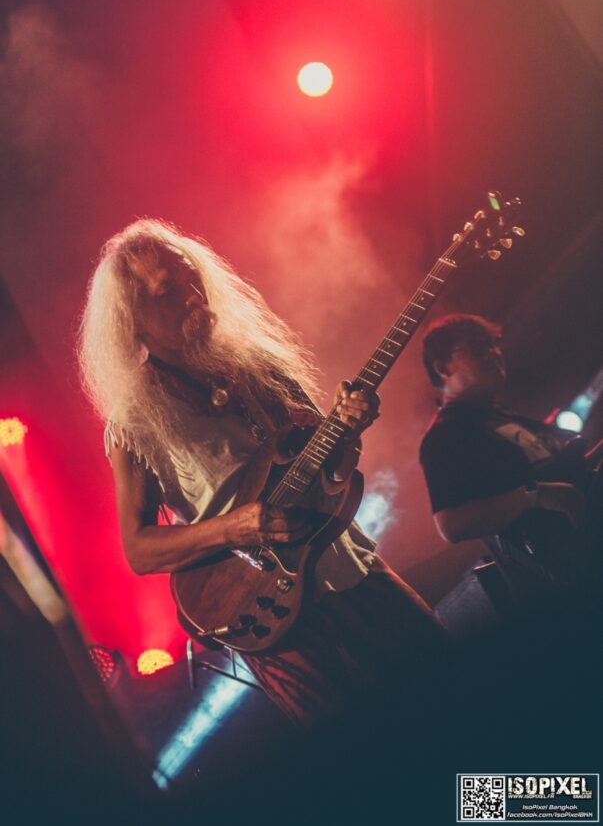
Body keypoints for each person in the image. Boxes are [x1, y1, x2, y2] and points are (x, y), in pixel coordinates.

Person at [78, 217, 445, 726]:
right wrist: (235, 527)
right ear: (132, 321)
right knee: (361, 743)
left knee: (454, 680)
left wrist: (348, 428)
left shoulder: (260, 365)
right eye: (168, 292)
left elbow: (333, 469)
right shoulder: (134, 423)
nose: (193, 296)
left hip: (346, 564)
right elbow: (139, 550)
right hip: (263, 612)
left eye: (191, 277)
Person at [419, 313, 599, 612]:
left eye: (493, 344)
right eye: (477, 347)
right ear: (443, 367)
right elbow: (451, 525)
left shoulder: (499, 418)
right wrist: (536, 495)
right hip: (578, 570)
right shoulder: (446, 435)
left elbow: (567, 479)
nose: (493, 353)